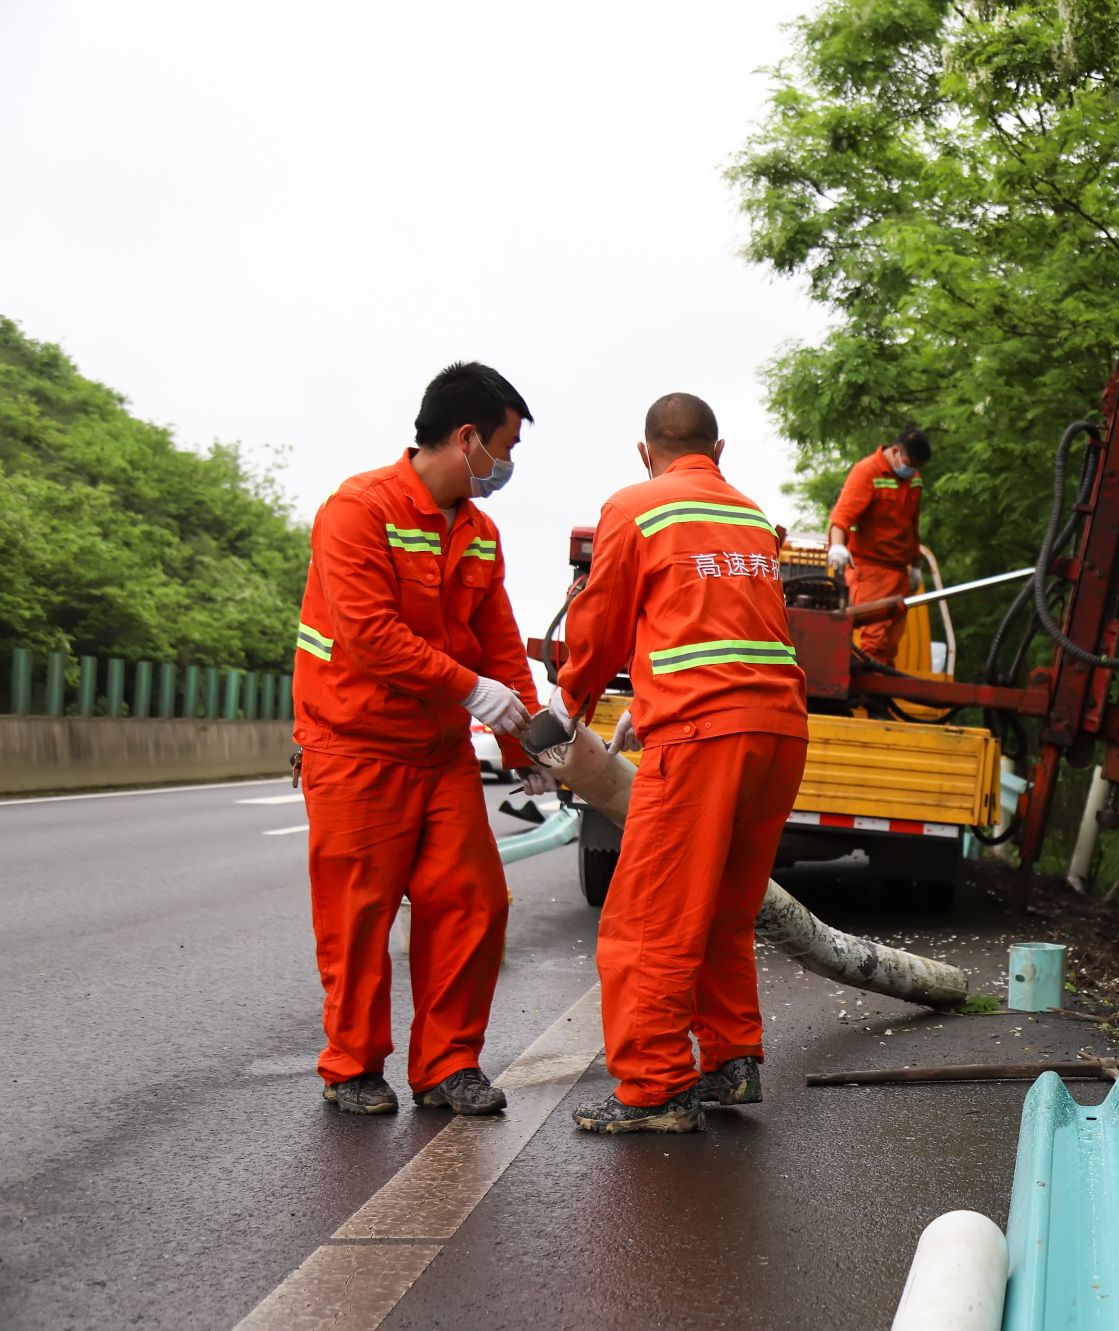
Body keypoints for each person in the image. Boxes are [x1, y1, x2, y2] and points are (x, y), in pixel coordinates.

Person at [293, 361, 549, 1117]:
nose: (507, 466)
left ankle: (446, 1065)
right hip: (355, 745)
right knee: (358, 914)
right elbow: (370, 636)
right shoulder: (358, 509)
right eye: (505, 446)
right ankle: (352, 1067)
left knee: (472, 900)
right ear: (468, 437)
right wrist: (472, 691)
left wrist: (527, 749)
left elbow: (500, 648)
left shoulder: (477, 531)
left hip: (437, 756)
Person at [551, 392, 809, 1134]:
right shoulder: (752, 517)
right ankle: (730, 1061)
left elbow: (597, 627)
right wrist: (652, 703)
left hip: (702, 738)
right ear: (718, 450)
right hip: (778, 732)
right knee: (727, 907)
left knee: (648, 918)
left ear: (646, 452)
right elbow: (727, 630)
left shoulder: (637, 505)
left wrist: (573, 703)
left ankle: (657, 1087)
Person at [826, 427, 930, 663]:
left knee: (888, 645)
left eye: (917, 467)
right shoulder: (867, 472)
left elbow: (912, 526)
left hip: (899, 571)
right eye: (910, 463)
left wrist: (915, 565)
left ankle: (879, 697)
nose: (912, 470)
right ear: (895, 452)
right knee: (873, 641)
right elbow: (841, 516)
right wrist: (838, 546)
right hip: (869, 569)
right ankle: (865, 696)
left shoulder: (913, 480)